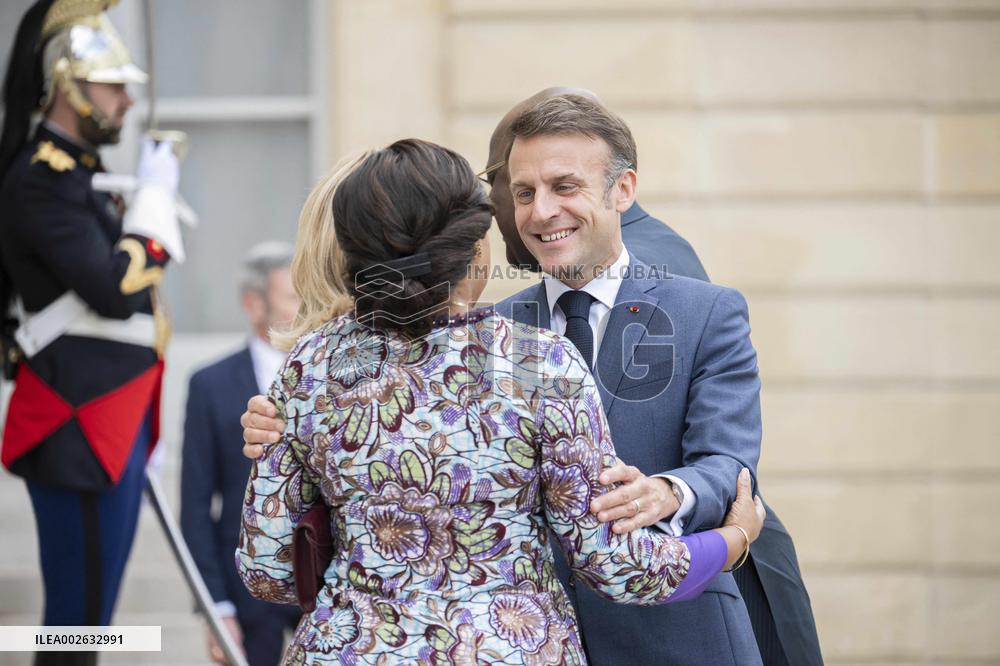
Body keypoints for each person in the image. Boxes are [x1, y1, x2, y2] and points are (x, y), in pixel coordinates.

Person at [244, 89, 822, 664]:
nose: (541, 210)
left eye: (564, 186)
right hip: (523, 642)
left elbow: (729, 462)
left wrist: (672, 491)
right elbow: (611, 562)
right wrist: (733, 540)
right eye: (523, 193)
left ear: (623, 190)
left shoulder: (703, 309)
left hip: (668, 639)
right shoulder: (508, 337)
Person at [0, 1, 185, 663]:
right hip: (76, 427)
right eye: (114, 86)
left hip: (109, 420)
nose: (129, 100)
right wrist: (155, 202)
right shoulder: (41, 180)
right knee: (76, 625)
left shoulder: (76, 178)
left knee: (93, 620)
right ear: (69, 86)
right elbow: (111, 290)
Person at [181, 242, 302, 666]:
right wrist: (217, 608)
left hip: (322, 583)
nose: (306, 306)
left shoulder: (335, 374)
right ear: (254, 305)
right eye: (292, 296)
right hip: (245, 594)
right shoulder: (208, 385)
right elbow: (195, 508)